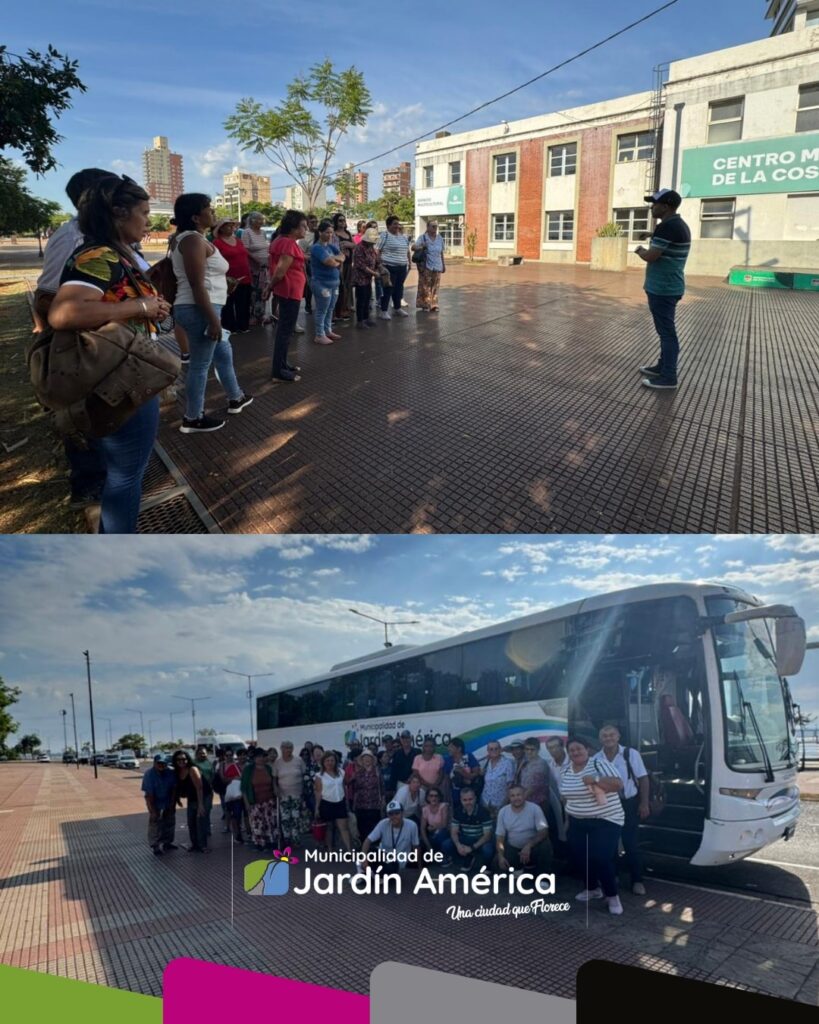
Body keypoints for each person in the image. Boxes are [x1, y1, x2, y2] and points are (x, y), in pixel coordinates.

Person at [48, 174, 172, 533]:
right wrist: (142, 308)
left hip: (123, 372)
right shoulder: (98, 255)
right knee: (126, 478)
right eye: (144, 213)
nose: (149, 222)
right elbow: (63, 313)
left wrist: (148, 306)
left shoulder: (117, 253)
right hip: (117, 378)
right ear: (119, 213)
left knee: (123, 475)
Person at [33, 167, 110, 510]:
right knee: (83, 417)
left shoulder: (104, 236)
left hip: (109, 346)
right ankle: (88, 485)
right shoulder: (71, 236)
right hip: (83, 346)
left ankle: (105, 475)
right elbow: (47, 295)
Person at [171, 193, 252, 433]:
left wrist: (223, 282)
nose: (213, 211)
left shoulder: (194, 238)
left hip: (203, 306)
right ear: (196, 217)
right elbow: (196, 284)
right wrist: (212, 320)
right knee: (200, 365)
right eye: (209, 208)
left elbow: (202, 276)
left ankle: (235, 397)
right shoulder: (192, 240)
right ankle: (192, 418)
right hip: (199, 309)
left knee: (223, 352)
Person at [558, 736, 625, 915]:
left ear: (587, 749)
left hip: (606, 820)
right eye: (571, 750)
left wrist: (595, 779)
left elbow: (618, 784)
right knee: (581, 857)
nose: (575, 752)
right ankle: (593, 889)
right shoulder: (565, 771)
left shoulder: (598, 764)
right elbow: (565, 798)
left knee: (601, 858)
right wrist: (567, 820)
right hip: (577, 821)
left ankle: (613, 896)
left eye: (579, 748)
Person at [636, 188, 691, 391]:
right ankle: (662, 366)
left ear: (666, 206)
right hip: (669, 286)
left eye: (655, 203)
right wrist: (652, 234)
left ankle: (669, 376)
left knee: (667, 333)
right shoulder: (676, 225)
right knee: (664, 331)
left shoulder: (667, 228)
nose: (652, 207)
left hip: (663, 289)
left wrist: (640, 250)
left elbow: (652, 256)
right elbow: (668, 242)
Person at [598, 724, 650, 896]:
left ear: (618, 736)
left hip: (628, 804)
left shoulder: (630, 754)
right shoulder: (597, 758)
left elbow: (643, 779)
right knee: (610, 844)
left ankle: (637, 880)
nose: (608, 738)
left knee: (631, 843)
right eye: (605, 736)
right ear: (600, 739)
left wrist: (644, 803)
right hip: (608, 805)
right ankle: (614, 876)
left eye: (611, 735)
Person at [268, 209, 308, 381]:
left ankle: (282, 364)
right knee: (285, 331)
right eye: (303, 226)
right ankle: (278, 371)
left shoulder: (281, 241)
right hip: (289, 291)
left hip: (288, 290)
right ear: (293, 228)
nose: (306, 230)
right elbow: (280, 272)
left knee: (285, 331)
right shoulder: (288, 244)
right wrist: (268, 288)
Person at [495, 784, 550, 873]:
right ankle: (521, 867)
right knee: (498, 865)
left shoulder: (535, 808)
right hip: (513, 848)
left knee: (545, 845)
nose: (516, 798)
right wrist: (500, 856)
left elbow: (544, 831)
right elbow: (500, 837)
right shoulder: (503, 812)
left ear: (524, 795)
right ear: (509, 798)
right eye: (512, 796)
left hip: (532, 848)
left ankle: (544, 877)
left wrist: (529, 845)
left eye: (518, 795)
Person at [211, 217, 252, 334]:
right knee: (228, 304)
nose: (231, 228)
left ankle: (243, 325)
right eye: (228, 226)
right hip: (227, 278)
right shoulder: (217, 242)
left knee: (244, 302)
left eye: (232, 226)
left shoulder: (238, 240)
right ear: (221, 229)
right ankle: (229, 327)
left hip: (244, 276)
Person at [442, 787, 494, 872]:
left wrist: (472, 848)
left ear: (475, 798)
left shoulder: (483, 812)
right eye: (465, 800)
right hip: (465, 839)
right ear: (461, 800)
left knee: (488, 849)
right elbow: (454, 832)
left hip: (479, 840)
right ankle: (466, 858)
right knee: (446, 844)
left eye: (470, 799)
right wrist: (458, 845)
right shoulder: (458, 811)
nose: (468, 802)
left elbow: (487, 835)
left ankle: (487, 865)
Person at [310, 218, 344, 346]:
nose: (330, 235)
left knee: (330, 309)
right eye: (327, 232)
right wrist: (336, 260)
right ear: (320, 232)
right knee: (322, 310)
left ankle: (327, 330)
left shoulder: (330, 246)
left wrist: (335, 259)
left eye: (331, 233)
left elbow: (343, 257)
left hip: (334, 283)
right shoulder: (316, 248)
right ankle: (319, 334)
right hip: (321, 283)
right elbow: (329, 262)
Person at [360, 799, 420, 869]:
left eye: (397, 813)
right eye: (391, 814)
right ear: (387, 815)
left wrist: (419, 867)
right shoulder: (383, 823)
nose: (394, 816)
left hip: (399, 860)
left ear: (402, 813)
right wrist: (364, 859)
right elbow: (368, 840)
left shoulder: (412, 825)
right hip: (384, 855)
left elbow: (416, 847)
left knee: (391, 867)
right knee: (368, 855)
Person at [171, 749, 210, 852]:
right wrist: (177, 799)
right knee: (191, 822)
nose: (181, 761)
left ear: (187, 759)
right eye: (178, 759)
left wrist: (201, 805)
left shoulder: (192, 769)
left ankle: (203, 846)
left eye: (184, 759)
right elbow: (179, 787)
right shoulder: (178, 771)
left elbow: (199, 787)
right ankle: (195, 844)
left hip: (202, 796)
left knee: (200, 820)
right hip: (192, 798)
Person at [314, 750, 353, 852]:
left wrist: (347, 802)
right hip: (326, 803)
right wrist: (317, 808)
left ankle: (349, 850)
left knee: (343, 828)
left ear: (335, 761)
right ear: (323, 762)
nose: (330, 763)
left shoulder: (341, 772)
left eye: (332, 760)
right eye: (327, 760)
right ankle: (330, 850)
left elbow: (345, 786)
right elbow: (318, 792)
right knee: (329, 828)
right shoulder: (319, 776)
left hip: (340, 802)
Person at [241, 746, 277, 851]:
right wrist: (247, 803)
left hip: (269, 801)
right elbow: (243, 788)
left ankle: (270, 841)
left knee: (270, 822)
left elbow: (273, 782)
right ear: (254, 758)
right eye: (258, 757)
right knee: (257, 823)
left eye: (262, 756)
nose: (260, 759)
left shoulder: (268, 768)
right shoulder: (248, 770)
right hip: (255, 801)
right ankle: (259, 843)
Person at [272, 740, 308, 845]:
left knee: (296, 817)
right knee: (285, 818)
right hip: (283, 795)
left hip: (297, 794)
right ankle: (287, 838)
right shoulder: (277, 763)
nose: (287, 750)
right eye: (285, 748)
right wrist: (275, 789)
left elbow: (305, 775)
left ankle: (296, 838)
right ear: (281, 749)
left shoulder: (299, 760)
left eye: (289, 748)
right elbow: (274, 778)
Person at [376, 216, 411, 319]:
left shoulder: (403, 237)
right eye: (394, 224)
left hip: (402, 267)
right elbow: (377, 251)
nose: (397, 226)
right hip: (388, 267)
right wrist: (380, 265)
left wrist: (409, 262)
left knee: (398, 288)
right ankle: (384, 311)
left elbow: (406, 250)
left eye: (398, 223)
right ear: (388, 225)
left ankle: (397, 308)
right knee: (388, 289)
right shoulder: (384, 236)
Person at [142, 753, 177, 855]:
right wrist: (152, 810)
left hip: (167, 799)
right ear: (154, 763)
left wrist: (172, 803)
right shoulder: (149, 774)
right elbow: (149, 795)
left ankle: (167, 842)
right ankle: (155, 846)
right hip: (154, 800)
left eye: (163, 763)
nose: (161, 765)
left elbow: (174, 789)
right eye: (159, 763)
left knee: (170, 821)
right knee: (155, 822)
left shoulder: (170, 772)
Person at [242, 211, 271, 325]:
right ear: (252, 220)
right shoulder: (247, 232)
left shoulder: (263, 232)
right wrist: (256, 259)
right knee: (254, 292)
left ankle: (261, 314)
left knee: (263, 291)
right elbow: (245, 249)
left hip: (264, 267)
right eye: (258, 219)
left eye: (262, 219)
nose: (261, 221)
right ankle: (253, 315)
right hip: (254, 267)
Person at [349, 747, 384, 843]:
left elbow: (382, 788)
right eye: (364, 758)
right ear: (362, 760)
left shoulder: (377, 772)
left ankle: (375, 849)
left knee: (375, 828)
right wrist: (354, 805)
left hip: (374, 805)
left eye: (369, 757)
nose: (367, 760)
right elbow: (354, 789)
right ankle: (364, 850)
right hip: (361, 805)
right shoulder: (357, 773)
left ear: (372, 760)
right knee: (362, 829)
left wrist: (383, 802)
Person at [351, 228, 381, 328]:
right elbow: (361, 265)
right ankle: (360, 321)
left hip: (368, 278)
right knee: (361, 299)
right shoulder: (360, 248)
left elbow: (375, 259)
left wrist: (378, 267)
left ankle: (366, 318)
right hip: (360, 278)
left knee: (367, 298)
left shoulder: (370, 247)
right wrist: (374, 273)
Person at [412, 220, 445, 312]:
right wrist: (422, 247)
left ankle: (434, 304)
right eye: (433, 226)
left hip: (437, 265)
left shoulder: (440, 238)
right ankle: (425, 304)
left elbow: (441, 252)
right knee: (425, 286)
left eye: (436, 226)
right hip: (426, 265)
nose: (435, 228)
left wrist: (443, 265)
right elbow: (413, 247)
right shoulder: (423, 238)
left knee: (435, 286)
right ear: (427, 227)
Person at [480, 740, 515, 817]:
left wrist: (504, 805)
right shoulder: (486, 762)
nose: (494, 751)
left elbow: (510, 786)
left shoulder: (507, 763)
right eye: (491, 749)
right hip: (485, 801)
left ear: (500, 749)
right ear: (488, 751)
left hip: (500, 804)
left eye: (496, 748)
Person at [443, 737, 480, 810]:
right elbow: (446, 778)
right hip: (455, 796)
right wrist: (446, 795)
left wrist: (463, 773)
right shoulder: (448, 760)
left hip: (470, 795)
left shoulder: (469, 756)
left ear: (459, 749)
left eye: (451, 747)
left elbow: (476, 773)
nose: (448, 749)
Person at [331, 213, 355, 320]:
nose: (342, 222)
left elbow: (355, 245)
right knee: (340, 287)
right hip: (339, 264)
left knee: (348, 286)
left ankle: (346, 307)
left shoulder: (348, 233)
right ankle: (339, 310)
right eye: (340, 220)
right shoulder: (333, 234)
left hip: (349, 263)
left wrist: (349, 245)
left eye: (343, 220)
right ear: (336, 222)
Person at [519, 737, 550, 813]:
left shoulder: (541, 764)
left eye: (532, 749)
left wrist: (519, 801)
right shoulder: (526, 761)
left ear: (538, 750)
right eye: (527, 749)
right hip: (527, 802)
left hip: (538, 804)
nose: (529, 752)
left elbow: (533, 788)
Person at [298, 213, 319, 315]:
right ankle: (308, 305)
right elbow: (301, 252)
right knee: (310, 285)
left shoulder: (319, 233)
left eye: (316, 222)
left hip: (319, 262)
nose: (314, 224)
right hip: (308, 263)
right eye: (312, 222)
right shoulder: (304, 236)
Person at [420, 786, 450, 856]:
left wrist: (434, 827)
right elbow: (422, 828)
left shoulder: (444, 806)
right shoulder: (425, 809)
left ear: (439, 798)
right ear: (427, 798)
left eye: (436, 796)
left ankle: (444, 856)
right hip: (431, 834)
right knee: (422, 842)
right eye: (431, 796)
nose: (434, 798)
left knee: (440, 834)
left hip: (443, 833)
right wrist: (428, 845)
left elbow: (444, 824)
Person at [193, 745, 215, 840]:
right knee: (199, 811)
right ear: (197, 754)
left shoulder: (209, 763)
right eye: (201, 753)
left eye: (205, 753)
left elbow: (212, 775)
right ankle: (200, 830)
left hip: (208, 791)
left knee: (207, 810)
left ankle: (207, 829)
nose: (203, 755)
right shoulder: (193, 764)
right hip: (197, 792)